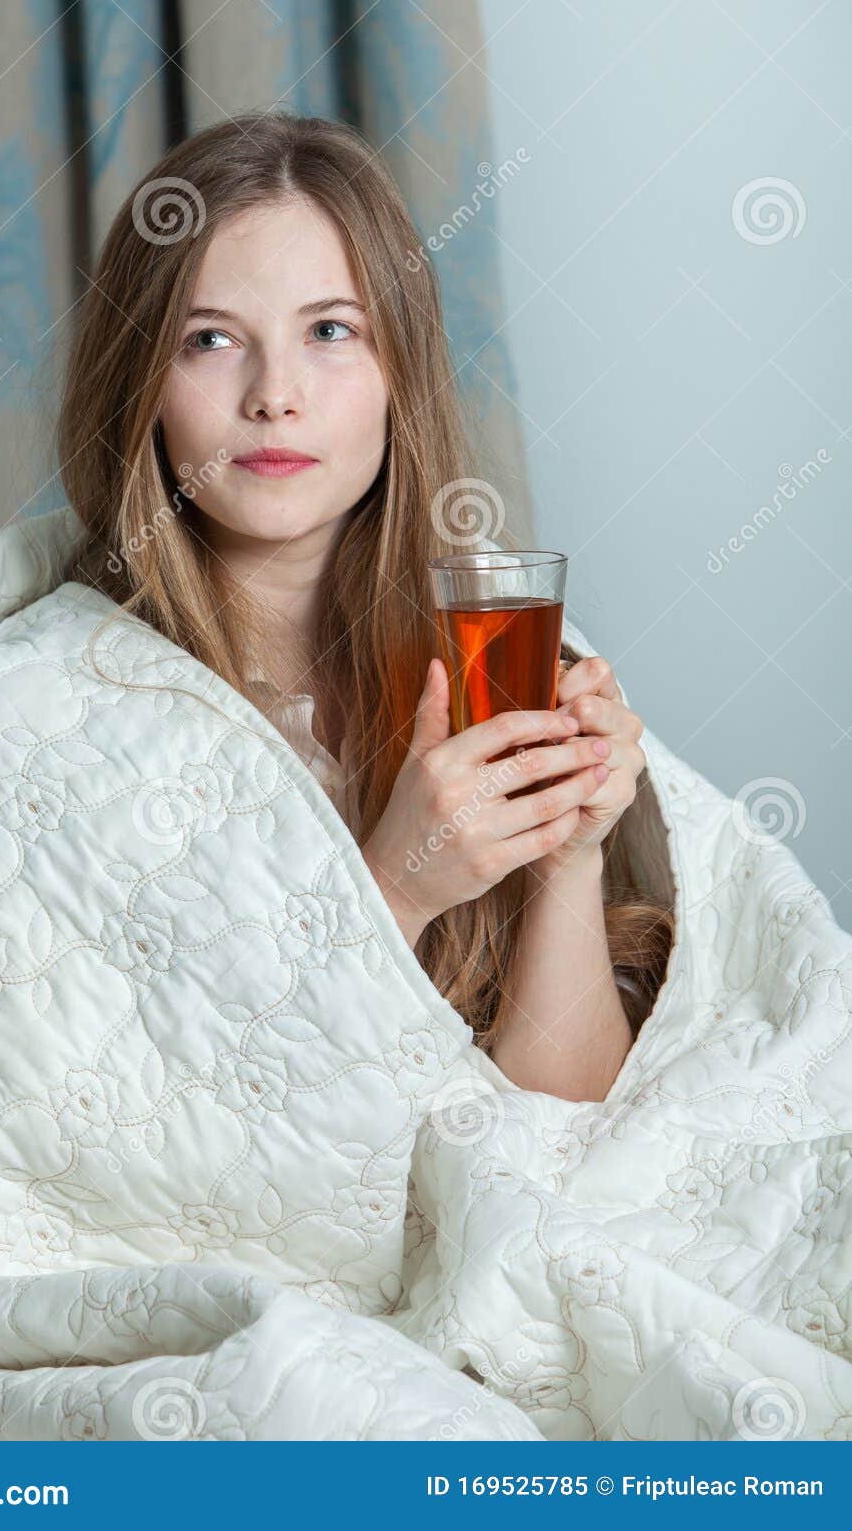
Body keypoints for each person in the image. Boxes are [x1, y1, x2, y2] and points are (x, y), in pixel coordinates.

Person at [56, 109, 674, 1105]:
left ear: (398, 373)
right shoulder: (60, 704)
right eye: (209, 339)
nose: (274, 395)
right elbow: (146, 1148)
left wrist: (564, 856)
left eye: (330, 331)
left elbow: (562, 1126)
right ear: (139, 383)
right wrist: (397, 887)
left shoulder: (495, 659)